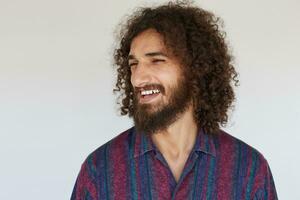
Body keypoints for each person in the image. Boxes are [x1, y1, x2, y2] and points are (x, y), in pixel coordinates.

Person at [71, 1, 278, 199]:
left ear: (195, 70)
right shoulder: (100, 170)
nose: (137, 78)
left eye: (156, 61)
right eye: (134, 64)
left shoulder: (249, 170)